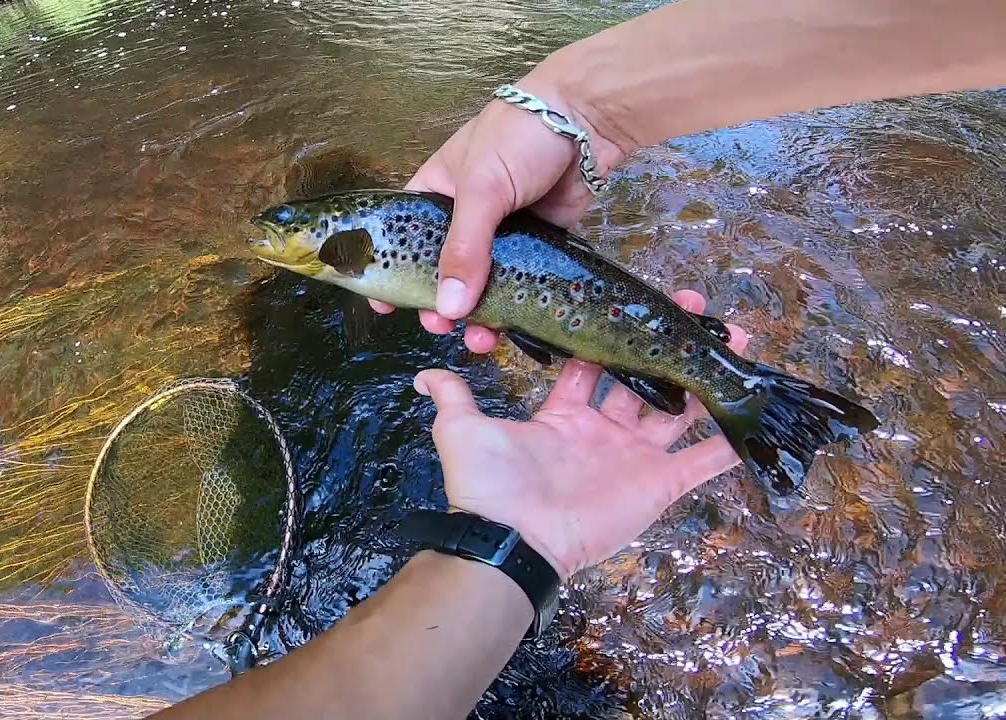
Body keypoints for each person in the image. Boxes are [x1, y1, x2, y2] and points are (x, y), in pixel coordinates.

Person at [153, 1, 1005, 718]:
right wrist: (578, 107)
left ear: (329, 237)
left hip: (549, 330)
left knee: (579, 338)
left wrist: (581, 111)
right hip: (554, 309)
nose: (270, 239)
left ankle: (744, 394)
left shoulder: (357, 244)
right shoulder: (365, 240)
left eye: (285, 230)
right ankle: (745, 393)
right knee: (587, 337)